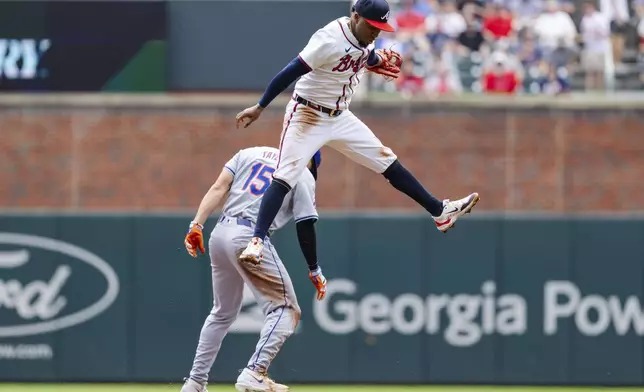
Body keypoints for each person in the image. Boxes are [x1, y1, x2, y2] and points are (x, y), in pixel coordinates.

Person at [235, 0, 480, 265]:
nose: (376, 32)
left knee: (386, 160)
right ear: (355, 17)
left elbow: (367, 55)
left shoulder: (365, 39)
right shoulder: (329, 40)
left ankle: (439, 212)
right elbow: (289, 71)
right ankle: (257, 241)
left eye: (380, 27)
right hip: (307, 114)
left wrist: (377, 61)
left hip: (340, 117)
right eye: (372, 25)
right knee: (285, 177)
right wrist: (260, 106)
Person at [181, 147, 327, 392]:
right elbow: (305, 224)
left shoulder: (251, 153)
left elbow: (219, 187)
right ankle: (255, 371)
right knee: (286, 309)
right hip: (250, 238)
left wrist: (197, 224)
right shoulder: (302, 171)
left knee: (221, 313)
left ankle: (195, 382)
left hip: (220, 232)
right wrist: (314, 268)